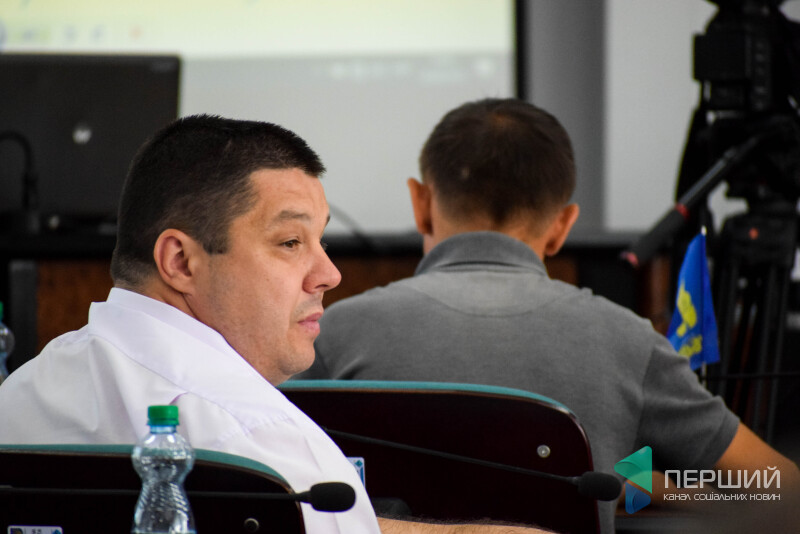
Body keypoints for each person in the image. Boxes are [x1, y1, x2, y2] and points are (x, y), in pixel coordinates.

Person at [0, 115, 552, 534]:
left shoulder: (21, 393)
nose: (329, 274)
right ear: (181, 262)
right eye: (290, 242)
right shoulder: (263, 445)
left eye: (321, 240)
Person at [298, 98, 800, 532]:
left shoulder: (333, 334)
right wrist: (646, 484)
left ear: (421, 203)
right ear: (562, 225)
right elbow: (782, 491)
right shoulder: (629, 342)